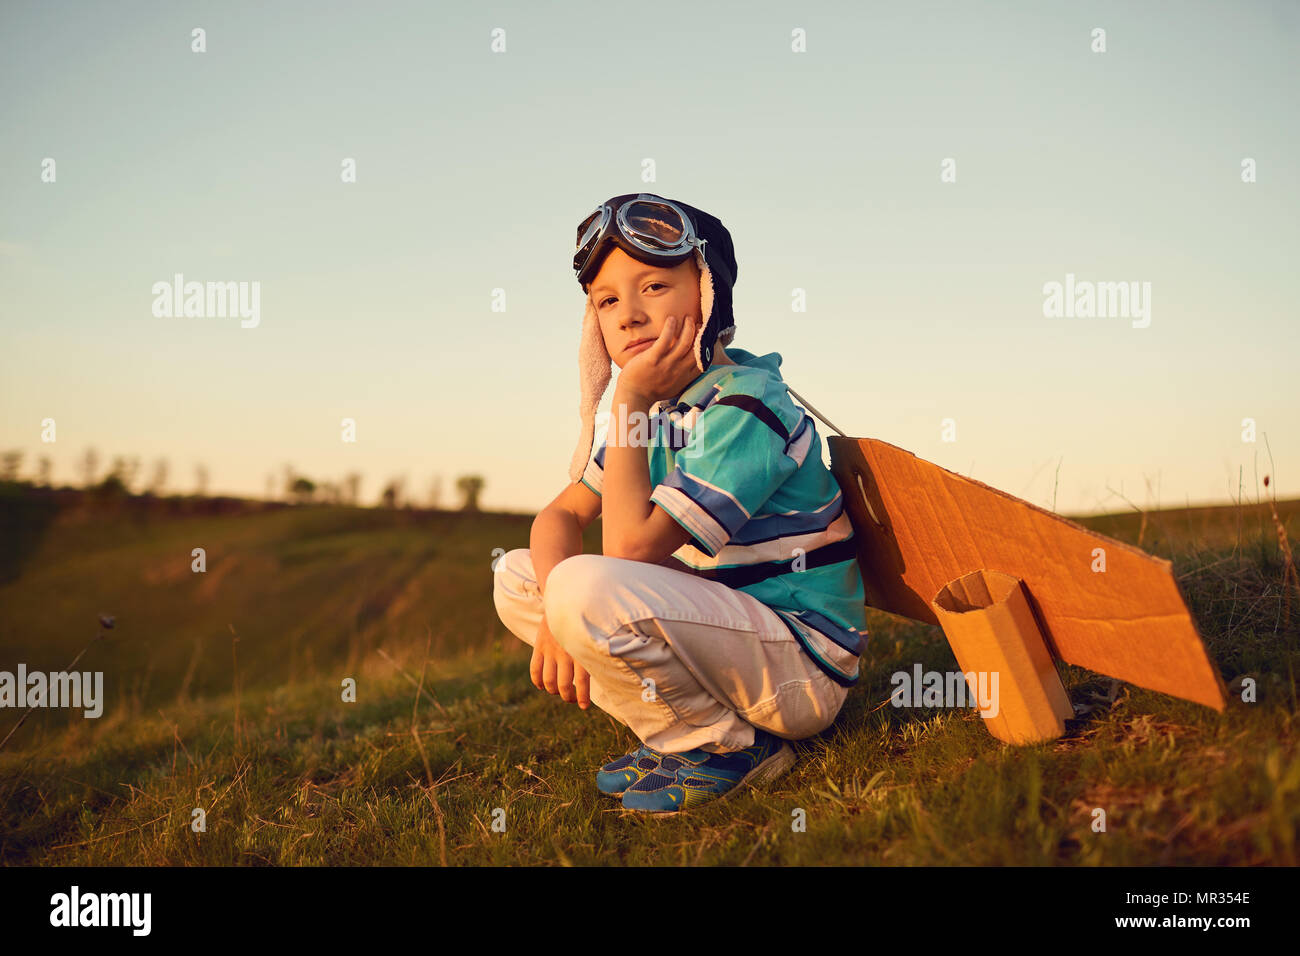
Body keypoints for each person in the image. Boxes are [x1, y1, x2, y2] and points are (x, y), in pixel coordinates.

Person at [493, 193, 868, 813]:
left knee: (583, 585)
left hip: (800, 668)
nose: (629, 316)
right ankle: (686, 738)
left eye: (655, 287)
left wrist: (629, 399)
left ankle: (721, 746)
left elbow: (628, 551)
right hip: (733, 640)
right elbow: (558, 517)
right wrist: (558, 618)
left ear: (708, 293)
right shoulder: (655, 415)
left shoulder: (745, 406)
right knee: (518, 575)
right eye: (607, 301)